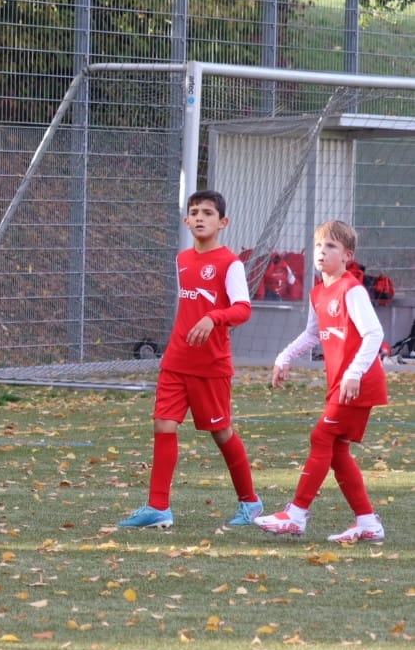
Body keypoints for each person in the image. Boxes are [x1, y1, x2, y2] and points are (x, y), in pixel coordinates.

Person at [117, 190, 261, 530]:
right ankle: (158, 507)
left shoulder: (230, 263)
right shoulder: (182, 259)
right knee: (163, 425)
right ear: (186, 220)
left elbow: (243, 309)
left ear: (223, 222)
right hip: (176, 360)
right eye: (194, 212)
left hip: (210, 366)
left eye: (208, 213)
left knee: (221, 432)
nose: (200, 217)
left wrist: (214, 317)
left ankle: (250, 501)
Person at [255, 220, 388, 543]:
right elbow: (313, 333)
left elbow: (374, 333)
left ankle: (296, 515)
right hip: (342, 383)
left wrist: (354, 373)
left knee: (322, 436)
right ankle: (367, 522)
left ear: (347, 256)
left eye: (331, 246)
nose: (321, 252)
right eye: (318, 245)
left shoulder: (352, 289)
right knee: (337, 451)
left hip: (359, 382)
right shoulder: (318, 292)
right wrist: (284, 357)